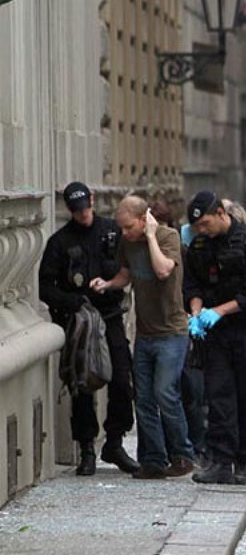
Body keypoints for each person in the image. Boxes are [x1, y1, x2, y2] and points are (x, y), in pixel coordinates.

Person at [90, 196, 195, 479]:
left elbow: (162, 270)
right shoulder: (128, 242)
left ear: (142, 219)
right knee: (144, 398)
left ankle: (183, 455)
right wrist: (109, 284)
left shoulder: (167, 236)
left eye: (128, 227)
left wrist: (150, 236)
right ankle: (153, 460)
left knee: (165, 393)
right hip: (145, 333)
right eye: (121, 228)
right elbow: (126, 275)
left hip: (172, 332)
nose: (124, 233)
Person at [39, 182, 138, 477]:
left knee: (121, 378)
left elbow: (131, 265)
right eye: (77, 210)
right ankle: (86, 448)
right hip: (79, 320)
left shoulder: (112, 230)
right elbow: (45, 286)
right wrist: (71, 301)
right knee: (82, 384)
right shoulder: (60, 242)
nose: (83, 214)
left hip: (110, 315)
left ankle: (115, 441)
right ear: (69, 209)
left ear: (92, 201)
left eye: (86, 208)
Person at [183, 191, 246, 485]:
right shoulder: (198, 245)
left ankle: (244, 462)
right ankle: (220, 461)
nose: (201, 230)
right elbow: (192, 286)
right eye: (197, 226)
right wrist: (196, 314)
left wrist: (218, 311)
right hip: (216, 333)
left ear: (221, 213)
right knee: (218, 396)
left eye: (206, 223)